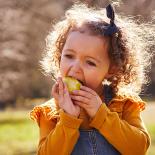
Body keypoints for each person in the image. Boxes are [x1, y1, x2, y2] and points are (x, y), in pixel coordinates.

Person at [30, 2, 152, 155]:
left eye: (90, 62)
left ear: (111, 69)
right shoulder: (50, 112)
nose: (75, 67)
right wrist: (68, 118)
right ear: (59, 55)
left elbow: (138, 149)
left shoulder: (124, 104)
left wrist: (100, 114)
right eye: (68, 56)